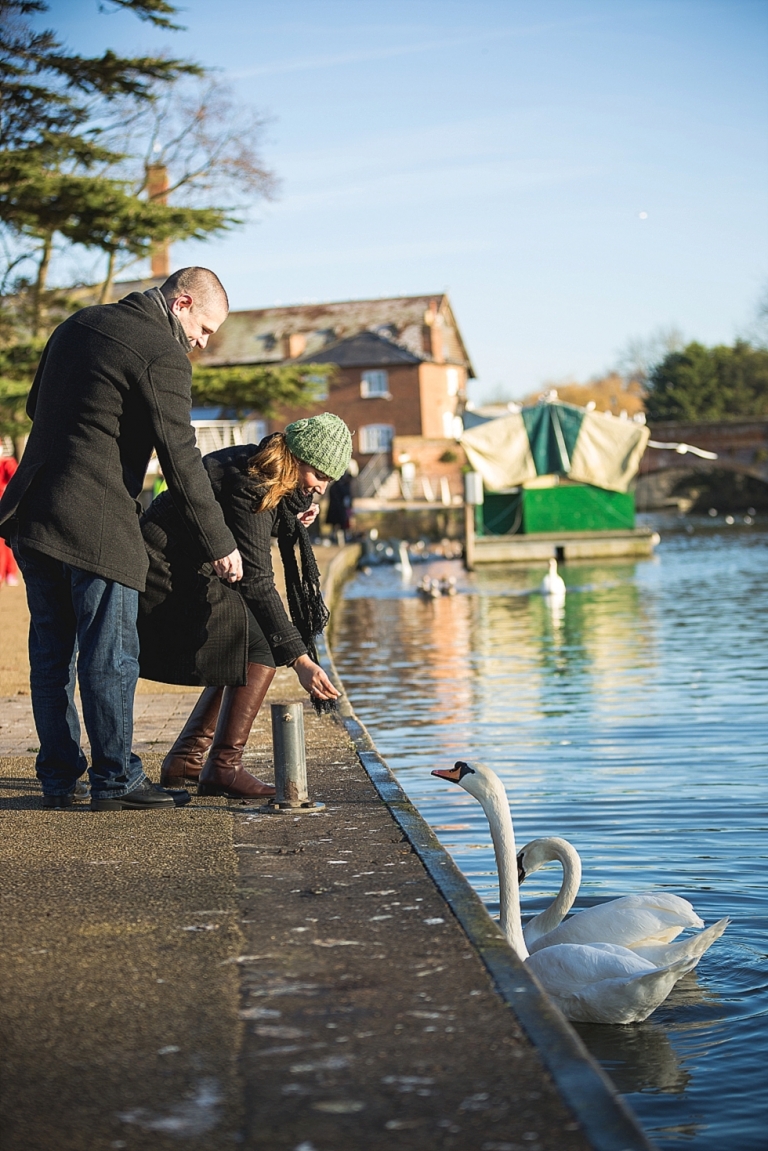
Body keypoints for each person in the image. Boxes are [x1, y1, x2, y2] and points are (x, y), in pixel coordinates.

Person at [0, 267, 243, 812]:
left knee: (51, 653)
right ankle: (116, 779)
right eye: (204, 328)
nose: (202, 343)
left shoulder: (77, 324)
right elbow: (181, 458)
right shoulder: (161, 351)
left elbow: (36, 408)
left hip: (33, 509)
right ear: (181, 303)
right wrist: (219, 542)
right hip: (97, 520)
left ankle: (59, 778)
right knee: (110, 655)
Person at [138, 413, 350, 800]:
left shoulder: (259, 471)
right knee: (260, 642)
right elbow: (256, 580)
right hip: (161, 571)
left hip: (184, 564)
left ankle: (188, 758)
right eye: (319, 475)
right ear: (297, 459)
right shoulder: (251, 483)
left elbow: (245, 531)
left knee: (249, 636)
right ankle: (222, 765)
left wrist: (288, 522)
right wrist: (300, 661)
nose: (321, 488)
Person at [0, 446, 20, 585]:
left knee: (6, 541)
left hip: (4, 506)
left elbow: (16, 479)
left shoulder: (7, 463)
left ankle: (9, 572)